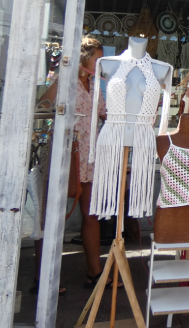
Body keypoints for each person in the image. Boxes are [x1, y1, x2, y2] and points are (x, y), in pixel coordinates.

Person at [39, 37, 121, 289]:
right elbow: (42, 105)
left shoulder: (96, 84)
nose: (100, 63)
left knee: (91, 213)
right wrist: (60, 117)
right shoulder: (65, 80)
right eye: (97, 58)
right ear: (84, 57)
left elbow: (106, 115)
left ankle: (94, 272)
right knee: (51, 216)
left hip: (90, 154)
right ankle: (43, 280)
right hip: (67, 152)